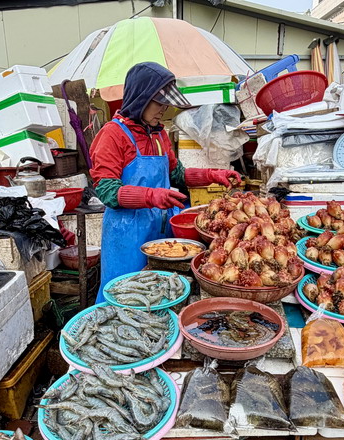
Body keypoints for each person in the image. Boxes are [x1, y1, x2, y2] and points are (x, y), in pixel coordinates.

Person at [89, 61, 240, 300]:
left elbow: (177, 175)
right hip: (127, 234)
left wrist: (213, 175)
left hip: (160, 232)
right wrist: (152, 196)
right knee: (124, 296)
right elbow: (107, 191)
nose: (164, 109)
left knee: (159, 294)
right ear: (140, 98)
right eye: (159, 102)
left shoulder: (159, 133)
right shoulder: (113, 134)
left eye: (166, 103)